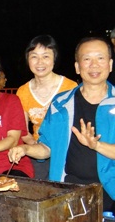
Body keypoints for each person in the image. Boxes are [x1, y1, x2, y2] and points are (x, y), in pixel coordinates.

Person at [9, 37, 115, 217]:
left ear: (110, 64)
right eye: (87, 59)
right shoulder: (60, 103)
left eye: (100, 58)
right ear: (77, 67)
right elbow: (47, 148)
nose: (94, 65)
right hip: (70, 187)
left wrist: (96, 145)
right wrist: (25, 149)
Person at [16, 35, 77, 179]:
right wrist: (36, 145)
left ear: (54, 58)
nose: (40, 62)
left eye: (46, 56)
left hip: (66, 151)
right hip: (39, 153)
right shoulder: (23, 92)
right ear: (28, 59)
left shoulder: (70, 87)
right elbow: (23, 131)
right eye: (34, 56)